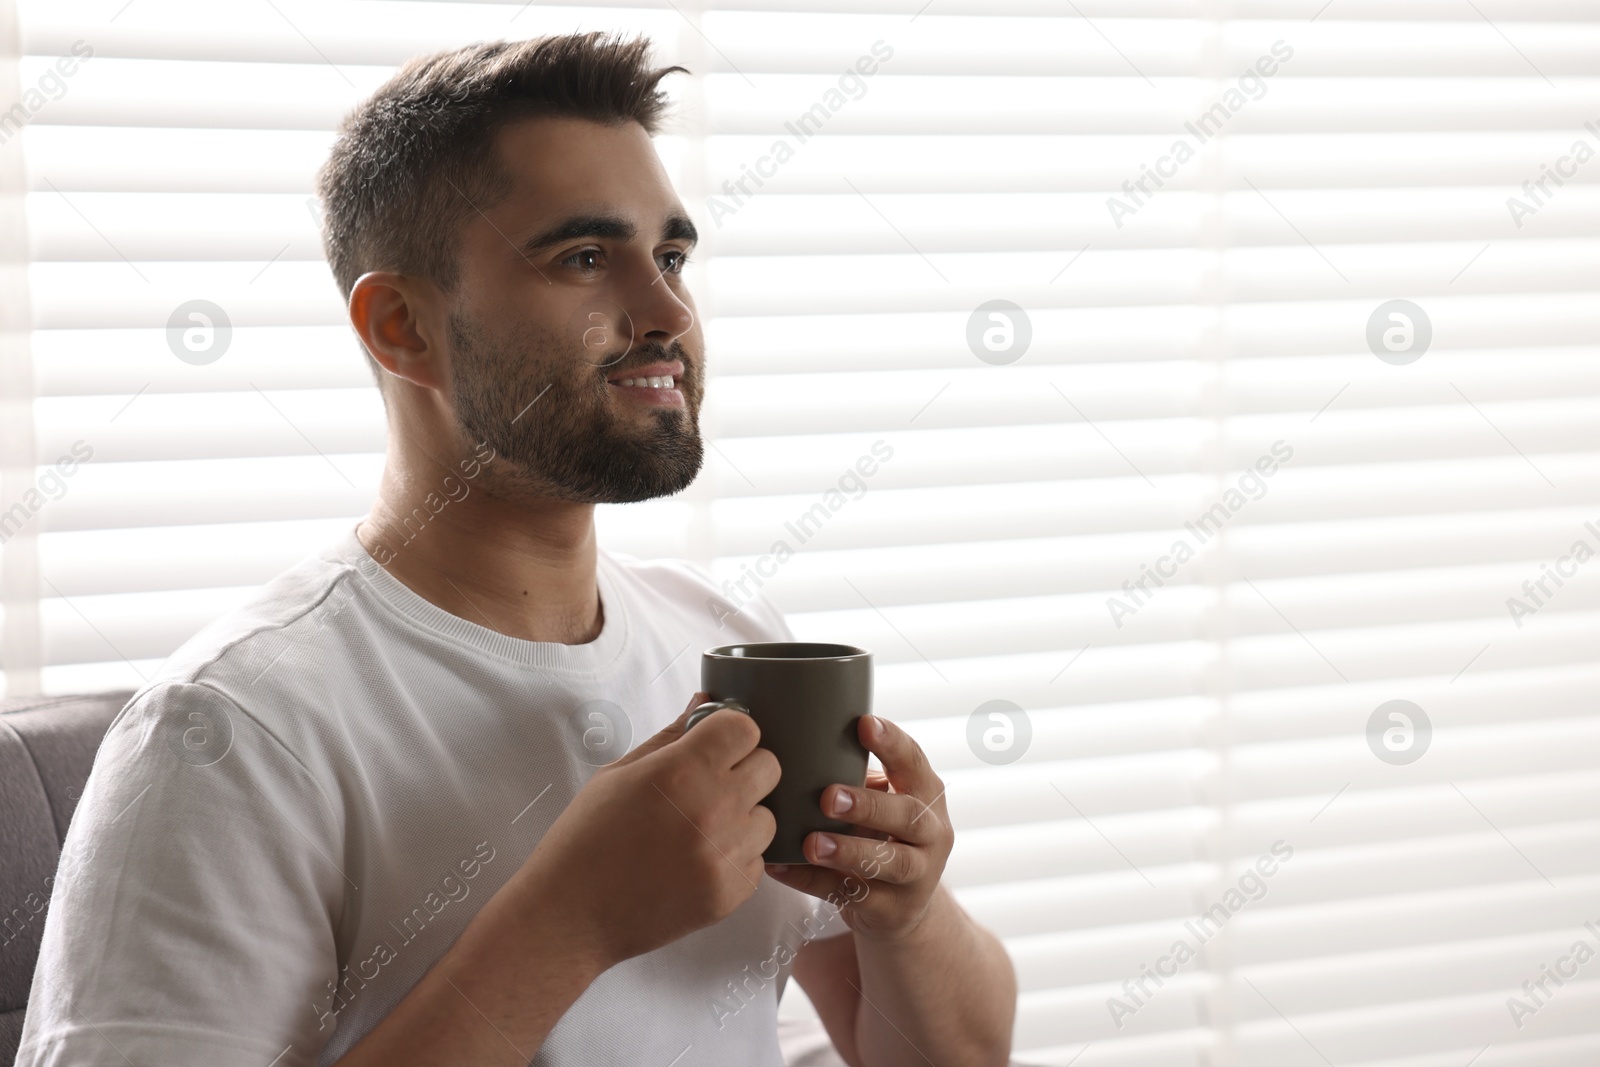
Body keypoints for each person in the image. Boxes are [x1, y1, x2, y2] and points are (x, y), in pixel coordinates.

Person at [16, 32, 1016, 1067]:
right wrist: (567, 924)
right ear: (401, 324)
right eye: (585, 258)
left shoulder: (732, 644)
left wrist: (907, 912)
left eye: (669, 256)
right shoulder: (228, 734)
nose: (668, 310)